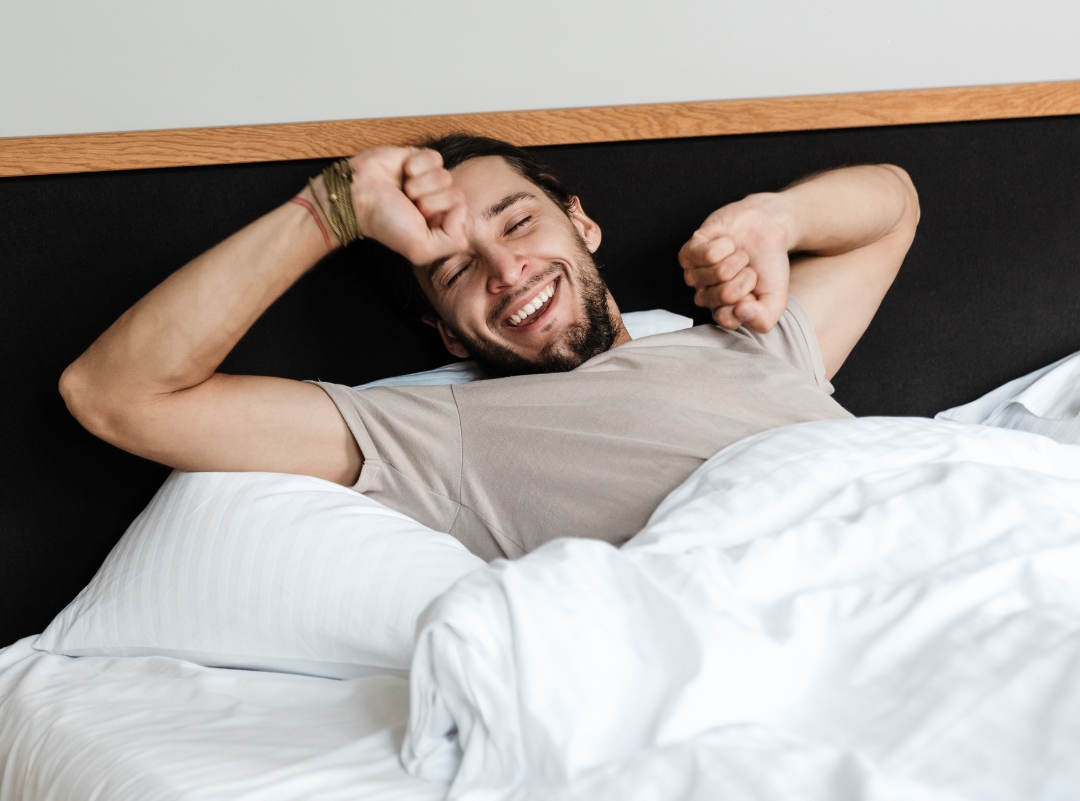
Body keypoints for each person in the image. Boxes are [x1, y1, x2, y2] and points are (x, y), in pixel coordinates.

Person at [60, 135, 919, 560]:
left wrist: (776, 218)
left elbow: (896, 206)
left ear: (580, 222)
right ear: (441, 331)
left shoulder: (752, 338)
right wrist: (329, 211)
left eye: (519, 222)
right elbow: (115, 394)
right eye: (455, 267)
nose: (508, 270)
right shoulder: (444, 434)